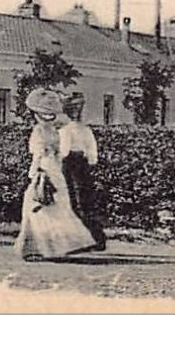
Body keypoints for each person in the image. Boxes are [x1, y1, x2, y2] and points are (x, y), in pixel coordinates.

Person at [15, 88, 94, 261]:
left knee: (36, 204)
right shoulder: (56, 131)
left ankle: (38, 247)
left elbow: (38, 154)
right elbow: (60, 153)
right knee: (57, 205)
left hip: (44, 167)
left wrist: (33, 172)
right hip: (56, 169)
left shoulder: (38, 131)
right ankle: (57, 246)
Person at [58, 94, 107, 252]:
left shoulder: (69, 131)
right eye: (75, 110)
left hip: (73, 164)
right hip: (81, 165)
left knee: (75, 200)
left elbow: (64, 152)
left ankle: (85, 239)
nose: (77, 113)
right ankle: (92, 239)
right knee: (84, 201)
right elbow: (92, 154)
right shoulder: (81, 130)